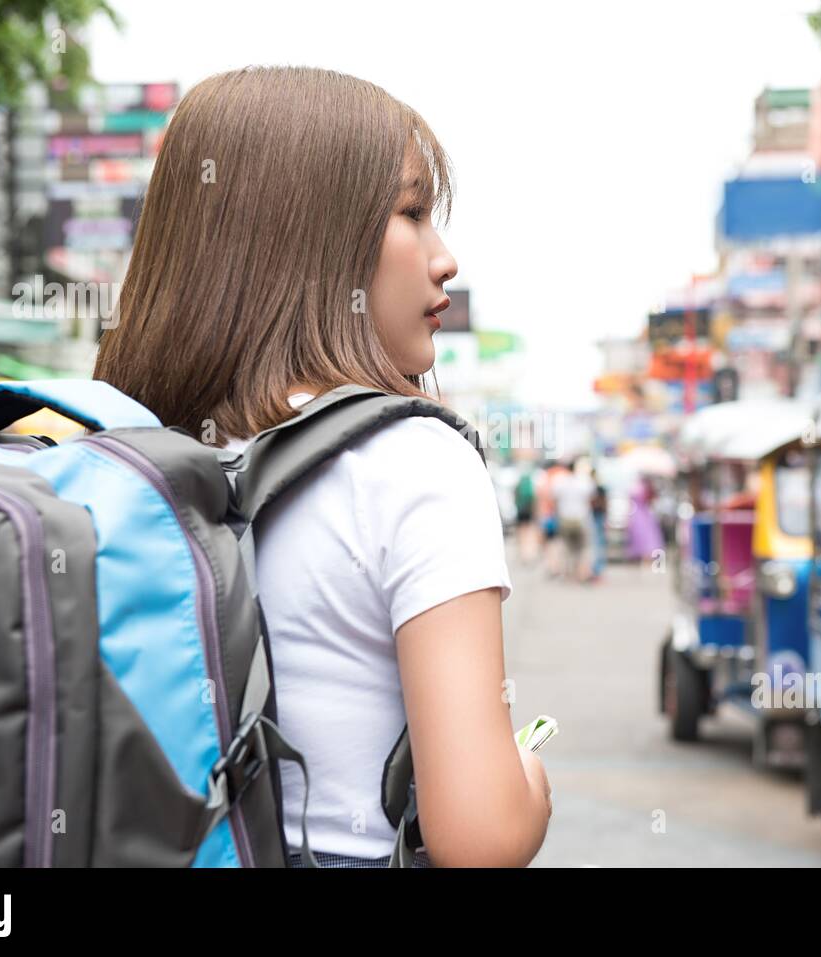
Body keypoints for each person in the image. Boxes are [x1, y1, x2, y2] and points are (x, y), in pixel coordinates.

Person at [92, 66, 550, 867]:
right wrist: (529, 779)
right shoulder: (414, 459)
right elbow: (483, 836)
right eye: (411, 212)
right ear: (307, 240)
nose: (444, 259)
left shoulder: (113, 458)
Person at [553, 458, 595, 582]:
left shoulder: (560, 481)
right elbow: (592, 497)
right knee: (583, 549)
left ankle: (568, 575)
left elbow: (554, 498)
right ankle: (582, 574)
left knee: (567, 548)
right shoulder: (583, 481)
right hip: (581, 519)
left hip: (565, 518)